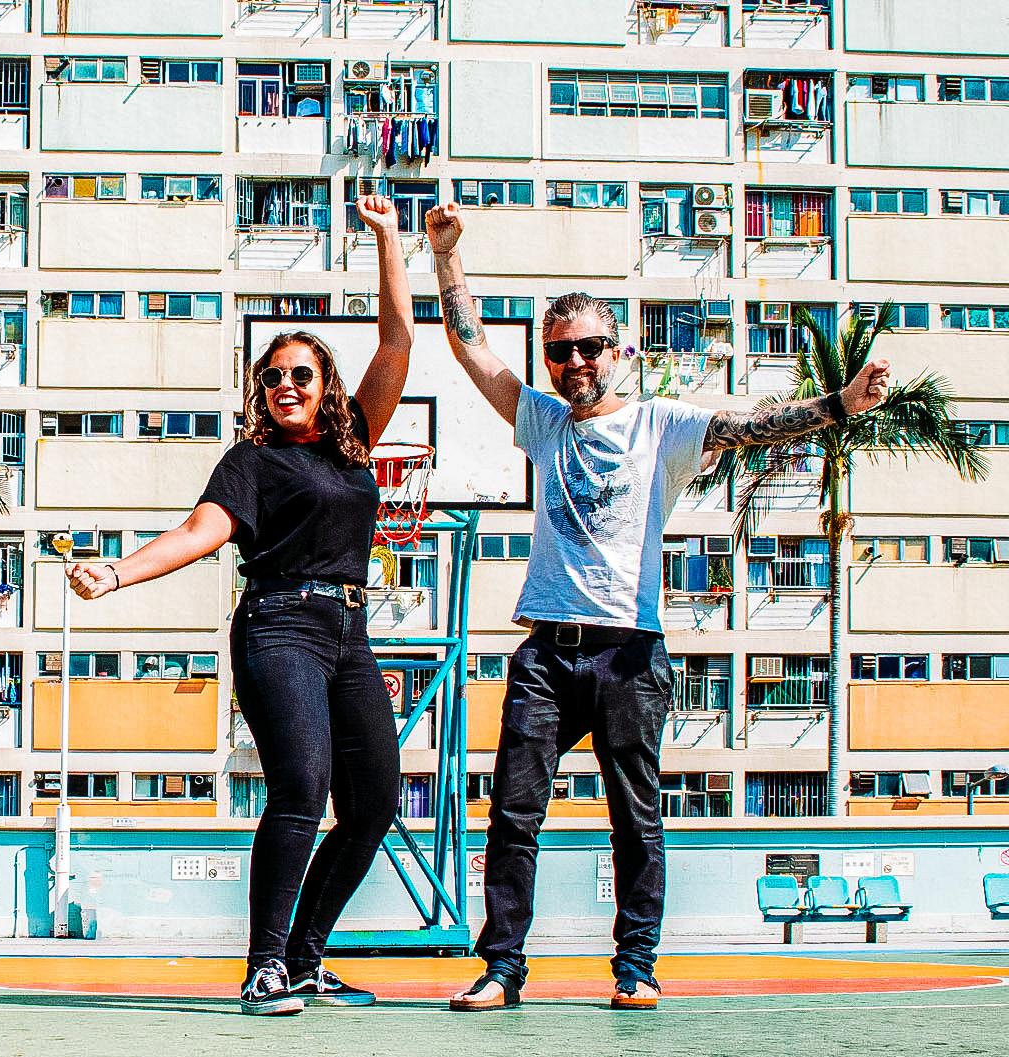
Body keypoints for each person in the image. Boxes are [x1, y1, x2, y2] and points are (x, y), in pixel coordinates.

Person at [422, 201, 889, 1012]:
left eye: (588, 347)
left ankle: (635, 966)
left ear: (616, 352)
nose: (574, 361)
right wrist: (446, 254)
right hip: (546, 651)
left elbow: (754, 425)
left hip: (630, 652)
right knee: (513, 813)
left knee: (635, 817)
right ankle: (502, 967)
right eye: (559, 350)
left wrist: (841, 404)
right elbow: (471, 346)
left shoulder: (660, 425)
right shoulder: (541, 421)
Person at [67, 196, 413, 1016]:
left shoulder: (354, 441)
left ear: (325, 386)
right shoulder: (250, 461)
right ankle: (264, 966)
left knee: (373, 804)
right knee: (302, 785)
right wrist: (117, 573)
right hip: (279, 624)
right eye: (273, 376)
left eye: (301, 374)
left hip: (349, 630)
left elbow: (398, 341)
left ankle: (306, 957)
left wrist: (389, 239)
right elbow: (200, 531)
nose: (285, 384)